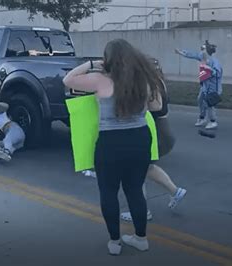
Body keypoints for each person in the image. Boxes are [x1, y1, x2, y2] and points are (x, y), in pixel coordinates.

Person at [63, 39, 163, 255]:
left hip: (111, 142)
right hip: (139, 138)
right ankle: (141, 238)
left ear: (107, 60)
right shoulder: (143, 79)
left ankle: (115, 242)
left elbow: (68, 80)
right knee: (135, 190)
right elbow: (156, 106)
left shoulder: (100, 80)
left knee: (108, 192)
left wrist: (91, 64)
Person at [121, 78, 187, 222]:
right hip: (161, 130)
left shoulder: (148, 83)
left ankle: (141, 211)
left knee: (136, 172)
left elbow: (157, 106)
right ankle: (175, 191)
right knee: (146, 168)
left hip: (154, 131)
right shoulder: (156, 81)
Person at [175, 40, 223, 129]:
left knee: (210, 103)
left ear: (208, 51)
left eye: (203, 49)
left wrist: (209, 69)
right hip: (205, 86)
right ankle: (202, 117)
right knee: (200, 100)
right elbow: (193, 55)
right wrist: (181, 53)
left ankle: (213, 121)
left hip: (213, 87)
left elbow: (217, 73)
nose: (201, 51)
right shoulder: (202, 57)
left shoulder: (215, 62)